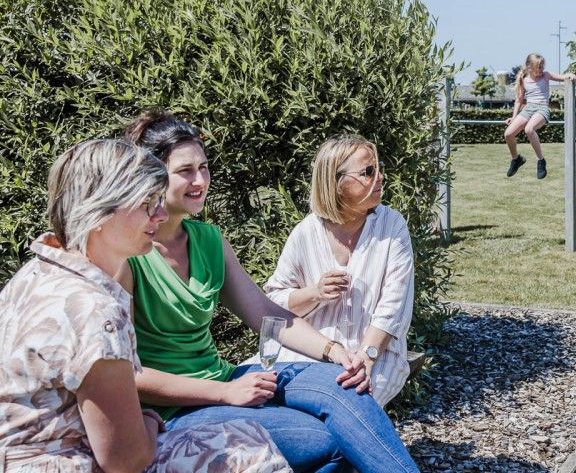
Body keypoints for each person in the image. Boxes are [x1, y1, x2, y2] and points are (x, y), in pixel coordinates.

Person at [119, 110, 419, 473]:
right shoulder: (128, 255)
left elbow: (268, 315)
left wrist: (333, 350)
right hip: (178, 411)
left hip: (225, 379)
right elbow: (127, 377)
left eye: (204, 167)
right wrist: (226, 393)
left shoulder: (209, 240)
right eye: (185, 171)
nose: (200, 179)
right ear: (151, 175)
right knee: (329, 439)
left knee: (344, 385)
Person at [0, 139, 291, 472]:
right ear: (100, 210)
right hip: (62, 462)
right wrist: (149, 420)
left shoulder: (36, 273)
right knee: (249, 451)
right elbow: (124, 460)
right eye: (147, 203)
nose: (161, 214)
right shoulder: (94, 311)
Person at [254, 134, 414, 407]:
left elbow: (393, 307)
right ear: (335, 183)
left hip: (378, 355)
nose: (380, 177)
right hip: (309, 352)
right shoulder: (307, 231)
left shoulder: (391, 227)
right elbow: (275, 305)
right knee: (258, 401)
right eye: (368, 171)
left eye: (379, 168)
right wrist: (314, 293)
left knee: (349, 405)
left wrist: (367, 357)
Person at [503, 53, 576, 179]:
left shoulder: (546, 76)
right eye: (539, 67)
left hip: (542, 108)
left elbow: (562, 77)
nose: (542, 70)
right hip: (528, 108)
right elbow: (519, 100)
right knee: (508, 134)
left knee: (529, 129)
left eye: (543, 66)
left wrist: (570, 75)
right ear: (530, 68)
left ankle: (541, 160)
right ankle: (516, 159)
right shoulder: (524, 80)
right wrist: (514, 117)